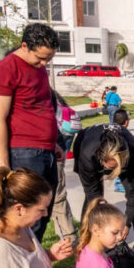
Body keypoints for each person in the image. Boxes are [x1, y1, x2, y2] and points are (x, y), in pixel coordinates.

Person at [0, 23, 62, 239]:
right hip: (23, 153)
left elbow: (41, 106)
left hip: (45, 151)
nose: (44, 63)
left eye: (49, 59)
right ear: (24, 46)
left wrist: (53, 143)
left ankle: (32, 262)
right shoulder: (7, 68)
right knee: (21, 215)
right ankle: (13, 262)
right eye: (40, 57)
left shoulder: (39, 69)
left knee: (40, 214)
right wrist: (3, 162)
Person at [72, 121, 134, 253]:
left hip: (128, 158)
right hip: (85, 141)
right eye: (111, 167)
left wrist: (126, 223)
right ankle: (86, 240)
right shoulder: (88, 155)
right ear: (101, 159)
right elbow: (94, 196)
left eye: (119, 167)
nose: (114, 171)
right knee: (93, 197)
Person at [49, 91, 82, 245]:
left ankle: (69, 237)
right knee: (58, 194)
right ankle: (68, 234)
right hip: (62, 140)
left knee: (57, 196)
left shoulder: (45, 99)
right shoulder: (57, 99)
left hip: (54, 145)